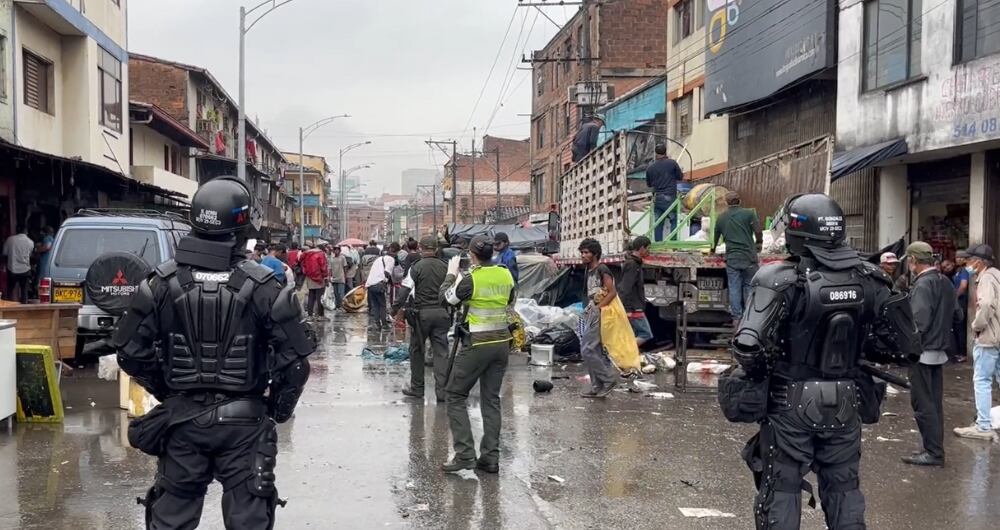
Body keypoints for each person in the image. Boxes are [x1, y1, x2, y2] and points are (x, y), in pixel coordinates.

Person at [111, 176, 314, 529]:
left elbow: (129, 352)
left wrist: (169, 392)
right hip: (246, 422)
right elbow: (295, 363)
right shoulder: (266, 285)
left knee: (171, 519)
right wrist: (277, 410)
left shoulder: (160, 282)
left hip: (182, 422)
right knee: (249, 520)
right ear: (242, 223)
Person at [721, 193, 921, 529]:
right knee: (844, 490)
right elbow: (906, 348)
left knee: (781, 490)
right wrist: (859, 347)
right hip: (846, 400)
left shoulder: (779, 279)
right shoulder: (871, 278)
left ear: (796, 232)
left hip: (789, 402)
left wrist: (765, 372)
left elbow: (748, 346)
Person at [439, 235, 515, 473]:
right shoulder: (505, 274)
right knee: (491, 399)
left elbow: (446, 299)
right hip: (501, 343)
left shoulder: (471, 279)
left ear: (472, 255)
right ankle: (490, 458)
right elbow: (510, 299)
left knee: (454, 395)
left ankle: (464, 455)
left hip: (478, 343)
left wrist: (451, 275)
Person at [903, 241, 960, 467]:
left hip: (923, 352)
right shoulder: (945, 281)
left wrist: (907, 348)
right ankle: (934, 449)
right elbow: (958, 315)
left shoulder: (922, 284)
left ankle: (933, 453)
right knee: (934, 404)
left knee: (923, 404)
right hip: (940, 351)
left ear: (913, 261)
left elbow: (919, 322)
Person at [393, 236, 450, 402]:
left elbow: (405, 289)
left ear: (420, 248)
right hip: (442, 313)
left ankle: (417, 389)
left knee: (417, 351)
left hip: (421, 316)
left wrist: (395, 308)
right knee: (441, 353)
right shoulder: (446, 267)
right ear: (436, 249)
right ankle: (442, 392)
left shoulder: (416, 267)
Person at [953, 244, 1000, 442]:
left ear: (978, 262)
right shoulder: (996, 275)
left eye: (969, 261)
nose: (967, 265)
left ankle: (983, 426)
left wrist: (976, 325)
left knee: (982, 381)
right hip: (998, 336)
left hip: (988, 337)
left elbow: (987, 304)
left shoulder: (986, 278)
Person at [711, 191, 763, 325]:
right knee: (749, 286)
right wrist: (759, 244)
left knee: (734, 287)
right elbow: (758, 230)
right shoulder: (749, 214)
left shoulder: (721, 218)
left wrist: (712, 250)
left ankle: (736, 318)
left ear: (726, 203)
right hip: (749, 257)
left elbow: (715, 237)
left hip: (732, 258)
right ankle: (749, 317)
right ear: (739, 201)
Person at [578, 238, 619, 398]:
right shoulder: (589, 271)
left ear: (595, 254)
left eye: (586, 252)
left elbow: (612, 292)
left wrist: (598, 308)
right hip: (592, 311)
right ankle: (596, 386)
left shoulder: (602, 269)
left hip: (599, 313)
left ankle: (608, 380)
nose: (583, 255)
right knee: (593, 350)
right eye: (582, 252)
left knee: (587, 349)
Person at [645, 144, 684, 242]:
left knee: (658, 222)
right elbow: (680, 177)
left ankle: (658, 244)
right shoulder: (672, 163)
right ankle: (673, 243)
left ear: (655, 153)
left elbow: (649, 184)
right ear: (665, 152)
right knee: (674, 219)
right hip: (670, 197)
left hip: (657, 198)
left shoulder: (650, 167)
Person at [620, 236, 653, 347]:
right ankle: (624, 350)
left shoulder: (634, 263)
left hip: (634, 307)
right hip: (634, 308)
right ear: (642, 248)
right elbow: (626, 288)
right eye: (648, 248)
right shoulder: (633, 265)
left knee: (633, 334)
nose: (649, 251)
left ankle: (626, 353)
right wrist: (628, 309)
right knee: (646, 334)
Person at [942, 258, 970, 363]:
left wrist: (954, 297)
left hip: (961, 302)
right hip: (955, 303)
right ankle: (958, 352)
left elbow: (963, 286)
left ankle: (963, 353)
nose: (946, 268)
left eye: (948, 265)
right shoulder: (952, 274)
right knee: (956, 329)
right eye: (944, 267)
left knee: (960, 328)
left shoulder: (964, 271)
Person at [2, 226, 34, 303]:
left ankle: (9, 306)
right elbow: (29, 255)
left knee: (10, 290)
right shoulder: (30, 242)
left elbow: (5, 253)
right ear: (26, 232)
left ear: (16, 231)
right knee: (24, 291)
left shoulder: (10, 240)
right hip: (25, 270)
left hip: (12, 269)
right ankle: (24, 305)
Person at [365, 252, 395, 331]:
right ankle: (384, 325)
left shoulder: (378, 259)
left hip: (370, 284)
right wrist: (388, 282)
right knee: (382, 305)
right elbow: (387, 273)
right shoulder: (391, 259)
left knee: (375, 305)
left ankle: (377, 324)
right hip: (378, 284)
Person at [300, 243, 329, 321]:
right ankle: (320, 315)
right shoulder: (321, 254)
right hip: (319, 278)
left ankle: (310, 315)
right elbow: (323, 266)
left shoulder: (306, 254)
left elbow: (301, 263)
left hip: (309, 277)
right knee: (320, 297)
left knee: (311, 296)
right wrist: (326, 276)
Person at [327, 245, 348, 310]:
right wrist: (329, 277)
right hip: (334, 278)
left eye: (337, 250)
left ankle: (342, 306)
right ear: (333, 251)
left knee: (341, 294)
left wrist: (345, 276)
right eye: (335, 250)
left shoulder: (343, 258)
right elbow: (330, 269)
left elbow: (345, 267)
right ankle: (337, 306)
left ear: (339, 250)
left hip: (341, 277)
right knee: (335, 294)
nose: (336, 251)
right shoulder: (331, 259)